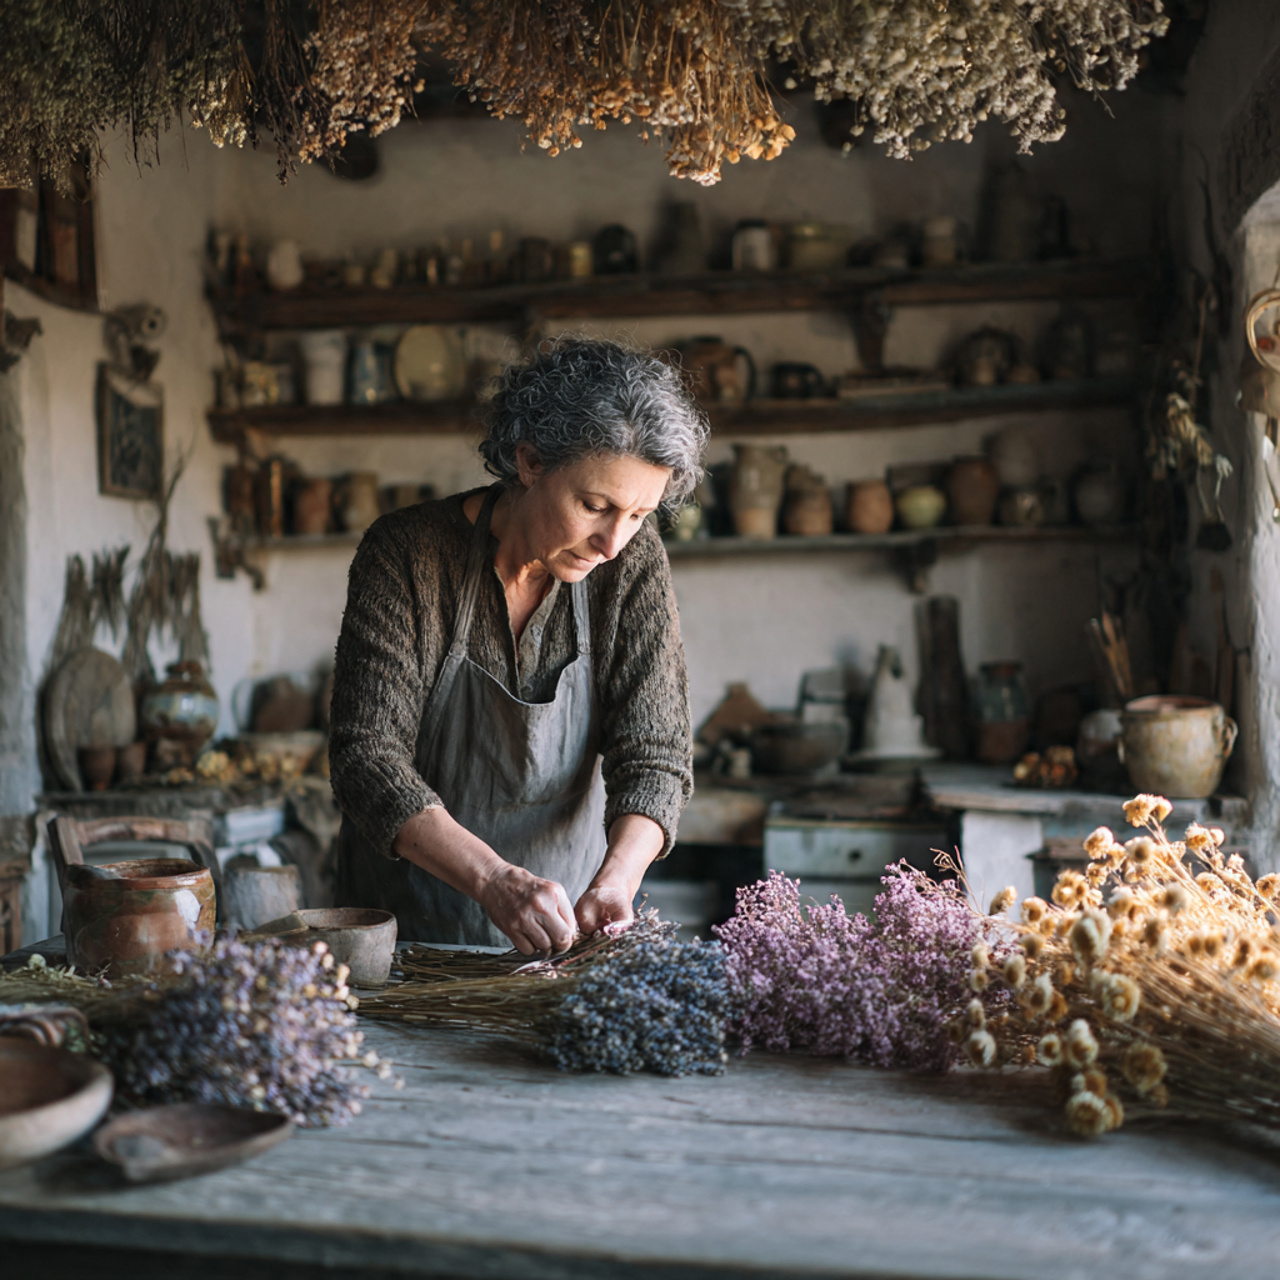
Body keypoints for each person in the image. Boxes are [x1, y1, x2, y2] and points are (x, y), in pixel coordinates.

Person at [330, 337, 706, 955]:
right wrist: (494, 880)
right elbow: (366, 758)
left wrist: (617, 879)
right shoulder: (406, 553)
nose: (613, 542)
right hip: (406, 944)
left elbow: (657, 754)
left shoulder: (632, 565)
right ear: (530, 462)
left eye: (639, 514)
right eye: (594, 506)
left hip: (559, 947)